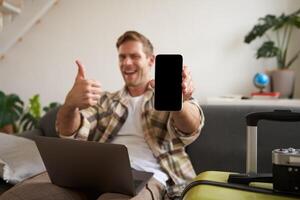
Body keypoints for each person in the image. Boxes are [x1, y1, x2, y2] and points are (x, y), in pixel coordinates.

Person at [0, 31, 204, 200]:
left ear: (150, 60)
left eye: (134, 56)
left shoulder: (171, 95)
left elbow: (190, 128)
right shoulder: (106, 100)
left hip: (147, 176)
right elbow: (71, 132)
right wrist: (70, 105)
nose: (127, 62)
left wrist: (180, 101)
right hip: (94, 173)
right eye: (122, 57)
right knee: (23, 195)